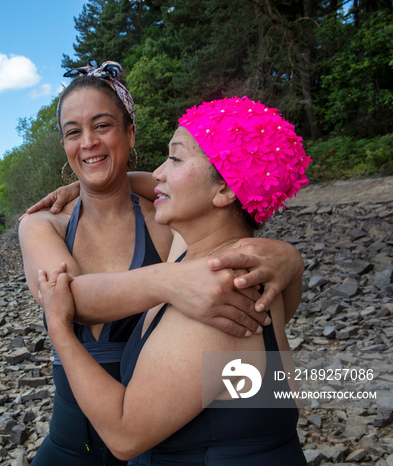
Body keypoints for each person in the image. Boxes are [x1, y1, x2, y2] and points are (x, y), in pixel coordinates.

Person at [19, 60, 305, 465]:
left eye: (102, 126)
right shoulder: (188, 256)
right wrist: (170, 280)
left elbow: (125, 432)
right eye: (73, 133)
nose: (88, 142)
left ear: (129, 132)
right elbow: (69, 295)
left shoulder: (202, 269)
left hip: (137, 433)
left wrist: (291, 258)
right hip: (77, 439)